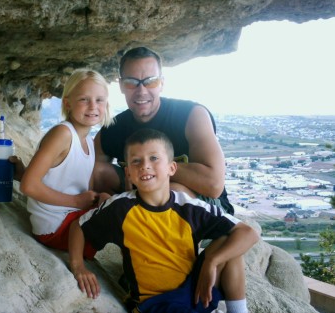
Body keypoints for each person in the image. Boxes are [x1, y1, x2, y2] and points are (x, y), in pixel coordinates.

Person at [69, 128, 259, 313]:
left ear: (172, 167)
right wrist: (78, 267)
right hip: (154, 304)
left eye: (154, 158)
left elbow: (248, 233)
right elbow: (79, 226)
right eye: (136, 161)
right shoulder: (120, 208)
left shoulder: (190, 207)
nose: (145, 165)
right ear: (128, 173)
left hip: (195, 292)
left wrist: (211, 261)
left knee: (229, 241)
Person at [93, 46, 234, 214]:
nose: (141, 91)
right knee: (98, 171)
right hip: (140, 197)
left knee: (172, 192)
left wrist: (150, 170)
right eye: (131, 83)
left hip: (200, 204)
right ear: (122, 85)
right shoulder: (113, 127)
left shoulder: (190, 115)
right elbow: (92, 172)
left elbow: (213, 185)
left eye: (150, 81)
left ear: (161, 83)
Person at [19, 68, 113, 259]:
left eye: (99, 100)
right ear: (67, 103)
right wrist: (77, 201)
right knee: (125, 217)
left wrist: (97, 198)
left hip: (71, 219)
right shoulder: (62, 134)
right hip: (56, 227)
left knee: (120, 204)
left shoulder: (88, 140)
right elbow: (28, 185)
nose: (93, 106)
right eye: (84, 99)